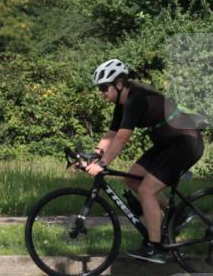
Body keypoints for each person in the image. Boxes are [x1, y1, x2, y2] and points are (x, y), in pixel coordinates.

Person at [87, 59, 205, 263]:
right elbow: (111, 134)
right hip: (167, 144)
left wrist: (103, 164)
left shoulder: (136, 98)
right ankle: (176, 214)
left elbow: (122, 138)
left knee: (146, 190)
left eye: (104, 87)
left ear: (120, 83)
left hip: (185, 143)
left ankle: (156, 248)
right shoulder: (121, 104)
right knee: (132, 179)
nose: (101, 92)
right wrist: (94, 155)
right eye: (100, 88)